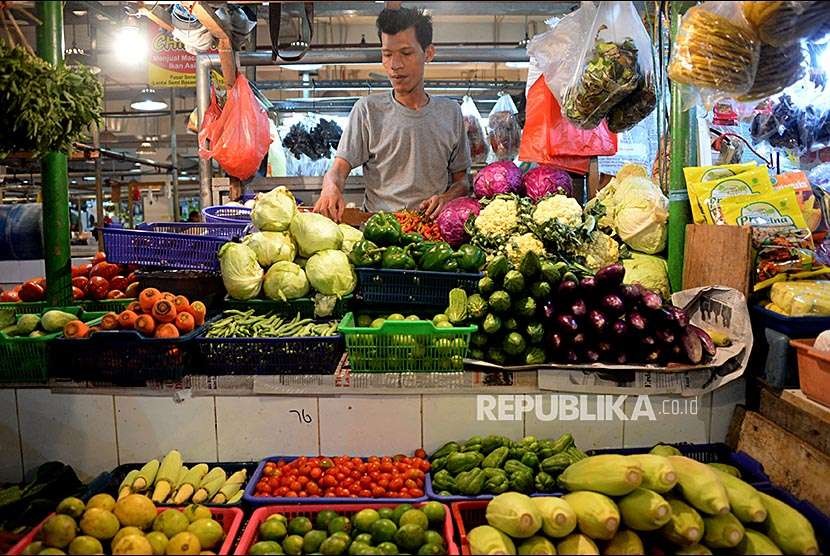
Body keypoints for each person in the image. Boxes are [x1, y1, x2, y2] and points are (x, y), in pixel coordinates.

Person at [313, 7, 472, 222]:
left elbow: (462, 181)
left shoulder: (450, 112)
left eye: (406, 53)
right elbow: (338, 170)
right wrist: (330, 187)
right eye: (387, 54)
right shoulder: (367, 111)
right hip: (380, 234)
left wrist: (446, 197)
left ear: (428, 53)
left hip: (434, 236)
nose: (395, 65)